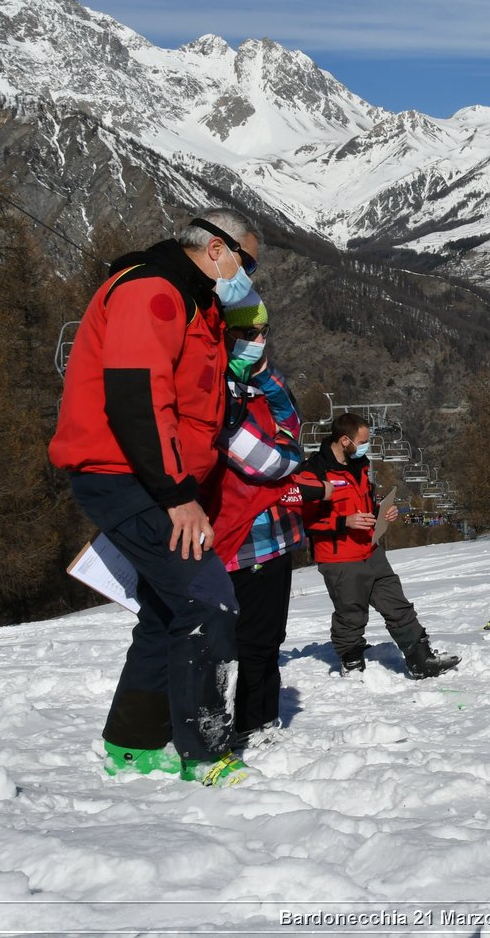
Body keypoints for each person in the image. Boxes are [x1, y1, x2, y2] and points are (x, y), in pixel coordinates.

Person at [49, 210, 262, 786]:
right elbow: (137, 399)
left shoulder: (190, 300)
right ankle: (206, 751)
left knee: (168, 609)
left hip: (152, 479)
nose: (249, 275)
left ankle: (134, 743)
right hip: (130, 477)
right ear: (217, 249)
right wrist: (176, 496)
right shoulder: (154, 292)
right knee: (206, 598)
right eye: (247, 260)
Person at [205, 289, 305, 748]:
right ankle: (241, 723)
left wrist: (264, 374)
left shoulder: (250, 385)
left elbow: (293, 421)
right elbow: (273, 462)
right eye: (248, 333)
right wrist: (291, 451)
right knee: (243, 642)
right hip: (241, 540)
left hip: (275, 535)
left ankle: (259, 718)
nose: (258, 340)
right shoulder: (214, 394)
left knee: (268, 638)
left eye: (263, 332)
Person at [292, 413, 459, 678]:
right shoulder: (313, 472)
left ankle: (420, 658)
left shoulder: (361, 465)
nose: (365, 447)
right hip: (339, 557)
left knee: (397, 603)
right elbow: (304, 520)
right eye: (362, 441)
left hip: (370, 548)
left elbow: (365, 502)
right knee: (351, 613)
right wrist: (344, 521)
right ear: (344, 440)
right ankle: (352, 661)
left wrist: (382, 511)